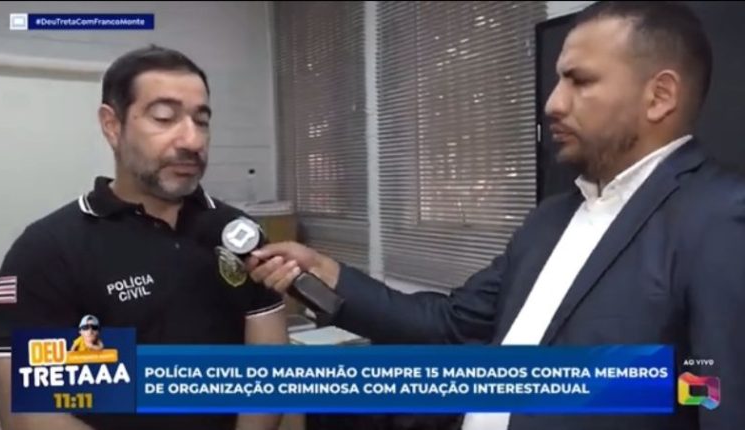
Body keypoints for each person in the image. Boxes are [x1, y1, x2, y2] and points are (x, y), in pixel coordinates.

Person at [247, 2, 745, 430]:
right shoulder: (549, 220)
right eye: (558, 80)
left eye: (580, 81)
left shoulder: (721, 220)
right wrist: (326, 272)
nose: (553, 103)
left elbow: (717, 401)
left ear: (659, 96)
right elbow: (449, 324)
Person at [0, 45, 287, 430]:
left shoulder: (237, 233)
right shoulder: (48, 249)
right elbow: (28, 412)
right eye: (164, 118)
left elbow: (268, 368)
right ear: (112, 126)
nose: (192, 140)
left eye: (201, 121)